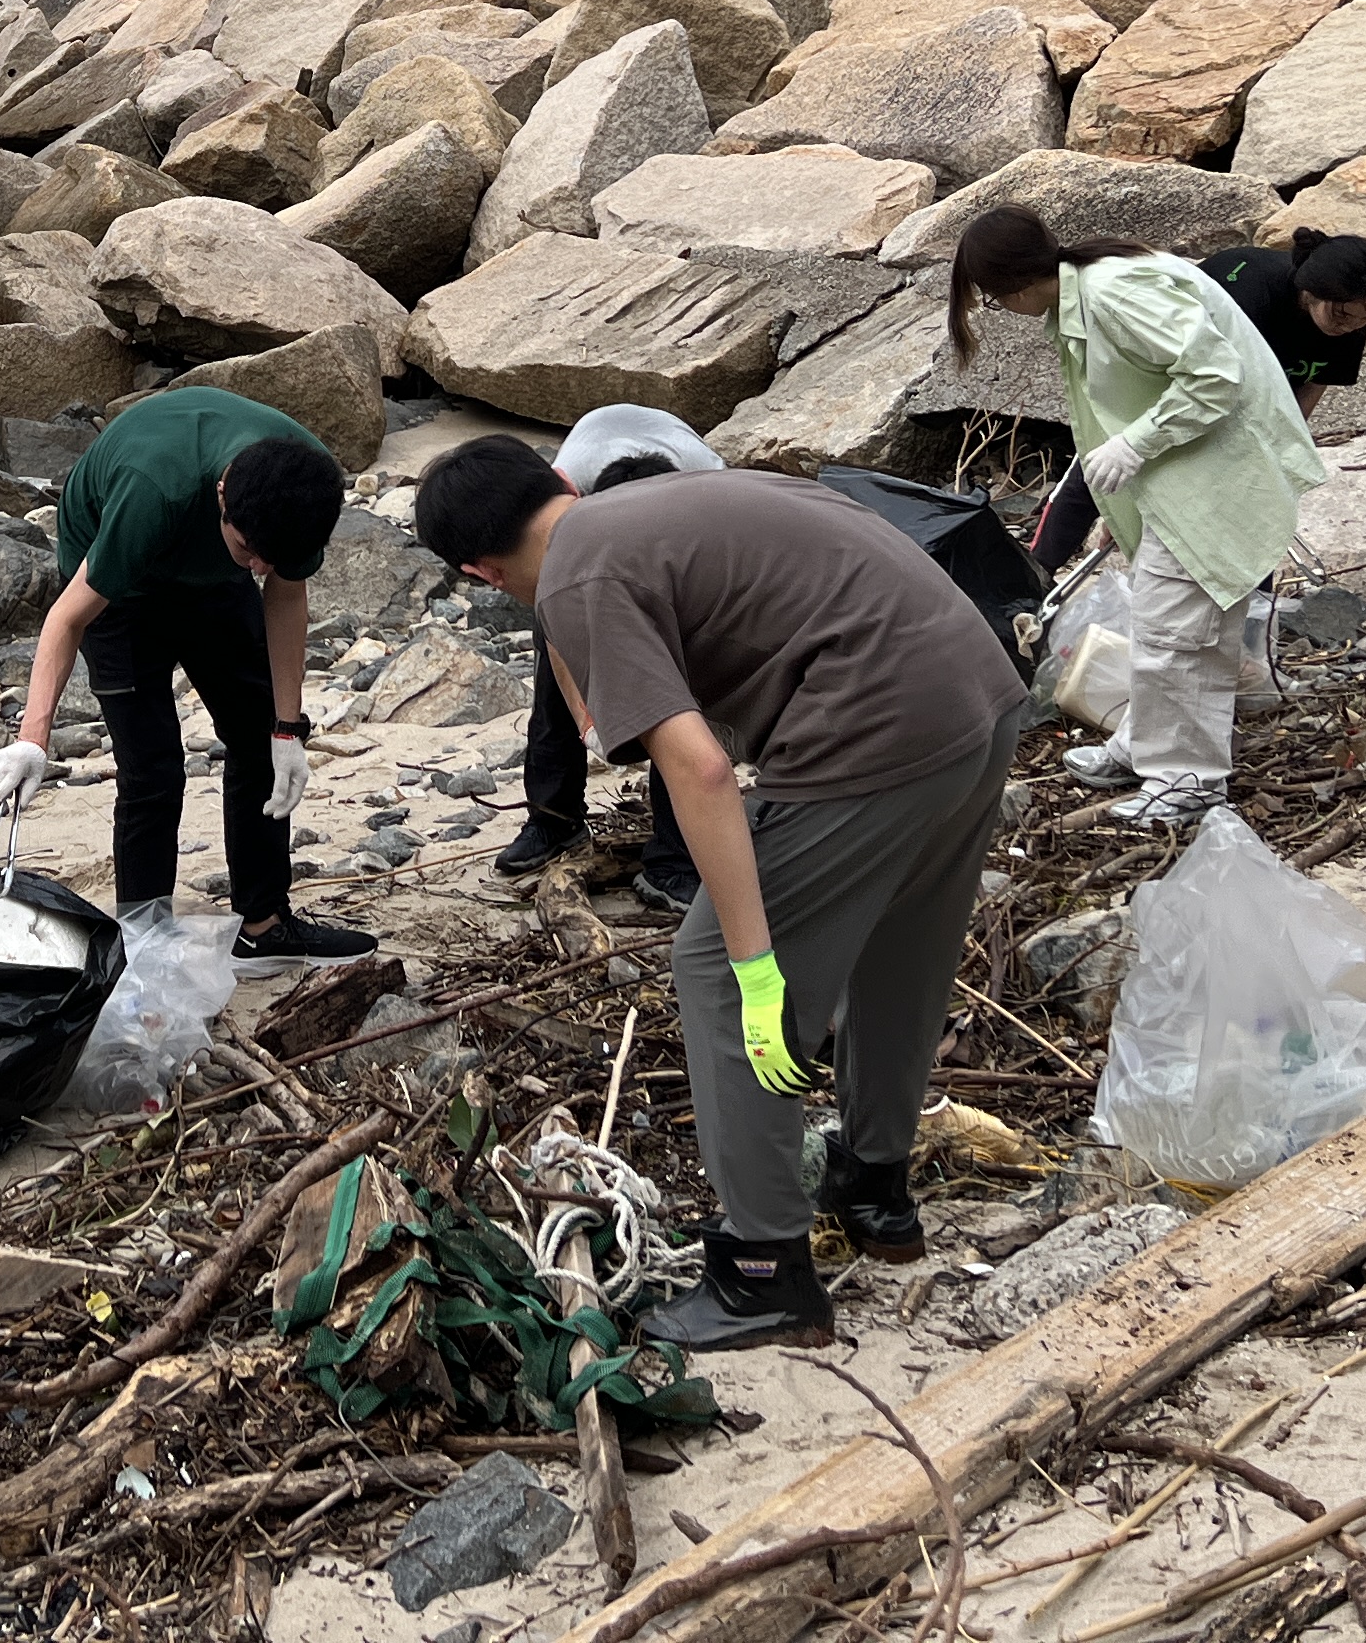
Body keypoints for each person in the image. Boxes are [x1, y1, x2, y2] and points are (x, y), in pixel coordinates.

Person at [415, 438, 1025, 1352]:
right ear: (564, 484)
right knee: (901, 941)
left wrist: (754, 964)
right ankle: (874, 1188)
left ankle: (762, 1272)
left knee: (710, 964)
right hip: (978, 688)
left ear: (479, 571)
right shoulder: (669, 503)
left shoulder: (578, 578)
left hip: (874, 726)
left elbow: (700, 773)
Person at [950, 209, 1327, 832]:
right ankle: (1144, 744)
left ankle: (1187, 780)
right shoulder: (1084, 292)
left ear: (1012, 287)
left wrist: (1137, 446)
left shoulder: (1114, 291)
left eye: (990, 299)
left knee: (1179, 633)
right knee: (1164, 624)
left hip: (1217, 474)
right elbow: (1115, 408)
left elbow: (1214, 377)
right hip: (1182, 479)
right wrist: (1118, 507)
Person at [0, 389, 375, 964]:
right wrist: (32, 740)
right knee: (152, 768)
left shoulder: (300, 491)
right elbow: (66, 619)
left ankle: (263, 926)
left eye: (271, 557)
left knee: (255, 735)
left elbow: (284, 593)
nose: (262, 568)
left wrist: (288, 728)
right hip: (117, 584)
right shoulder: (153, 493)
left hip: (211, 581)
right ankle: (144, 943)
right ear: (222, 493)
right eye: (251, 551)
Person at [1028, 231, 1366, 570]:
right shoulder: (1252, 292)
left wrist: (1281, 449)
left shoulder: (1352, 316)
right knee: (1098, 475)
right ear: (1313, 289)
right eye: (1342, 314)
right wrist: (1128, 505)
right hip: (1169, 392)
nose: (1350, 327)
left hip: (1240, 408)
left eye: (1364, 319)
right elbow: (1201, 382)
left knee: (1247, 503)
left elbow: (1312, 385)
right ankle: (1032, 580)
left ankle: (1255, 607)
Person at [497, 407, 710, 907]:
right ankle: (553, 822)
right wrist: (585, 717)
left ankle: (676, 859)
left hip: (676, 563)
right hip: (580, 545)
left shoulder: (705, 490)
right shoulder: (567, 493)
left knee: (682, 704)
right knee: (551, 693)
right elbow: (554, 616)